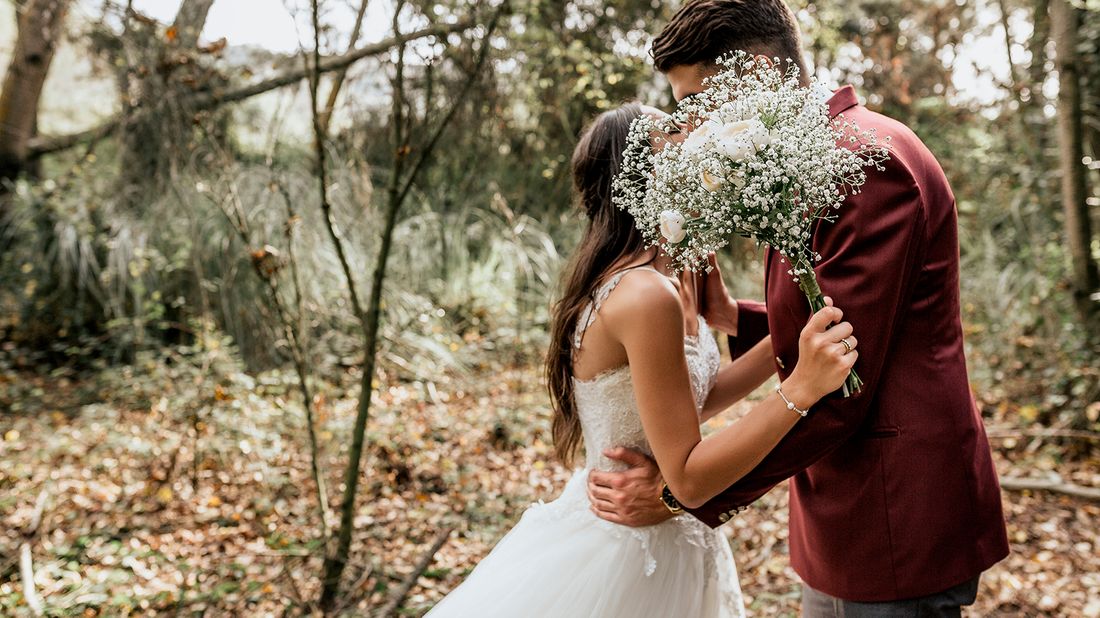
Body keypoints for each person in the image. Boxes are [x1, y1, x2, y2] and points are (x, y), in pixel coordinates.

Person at [587, 2, 1010, 616]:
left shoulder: (864, 163)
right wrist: (740, 320)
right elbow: (837, 318)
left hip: (893, 512)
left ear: (757, 70)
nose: (695, 123)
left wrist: (686, 492)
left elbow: (842, 377)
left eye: (699, 98)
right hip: (845, 506)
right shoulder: (809, 156)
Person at [426, 102, 859, 617]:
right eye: (674, 131)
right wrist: (799, 390)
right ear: (641, 175)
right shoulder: (643, 294)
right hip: (625, 551)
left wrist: (792, 338)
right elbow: (690, 479)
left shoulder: (675, 277)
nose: (697, 136)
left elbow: (695, 397)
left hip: (672, 537)